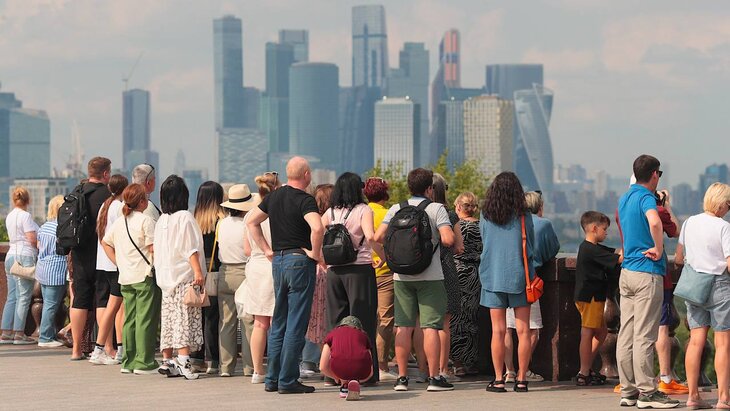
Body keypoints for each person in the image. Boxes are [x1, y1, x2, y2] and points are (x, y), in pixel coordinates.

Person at [246, 156, 324, 394]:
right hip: (300, 262)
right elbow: (318, 227)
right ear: (307, 175)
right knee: (296, 323)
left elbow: (251, 222)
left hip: (278, 261)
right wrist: (315, 254)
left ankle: (273, 378)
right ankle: (288, 380)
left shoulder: (274, 196)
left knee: (278, 322)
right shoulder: (305, 199)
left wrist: (267, 249)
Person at [373, 167, 455, 392]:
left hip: (401, 276)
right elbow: (448, 239)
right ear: (430, 188)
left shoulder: (396, 208)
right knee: (430, 327)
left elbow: (377, 237)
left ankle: (401, 379)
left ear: (409, 187)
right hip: (431, 276)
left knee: (404, 327)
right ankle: (435, 378)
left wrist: (389, 256)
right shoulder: (436, 208)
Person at [616, 154, 679, 408]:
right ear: (654, 174)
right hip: (646, 272)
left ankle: (628, 391)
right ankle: (647, 392)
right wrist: (657, 246)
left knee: (626, 333)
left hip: (627, 273)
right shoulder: (644, 198)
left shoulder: (624, 198)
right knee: (644, 334)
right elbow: (655, 221)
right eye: (659, 174)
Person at [322, 172, 384, 385]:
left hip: (334, 272)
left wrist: (321, 260)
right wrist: (383, 257)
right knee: (363, 321)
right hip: (359, 271)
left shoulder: (329, 212)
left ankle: (332, 374)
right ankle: (365, 374)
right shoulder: (363, 210)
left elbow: (316, 234)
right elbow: (371, 236)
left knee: (334, 322)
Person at [675, 182, 730, 410]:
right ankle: (723, 399)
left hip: (694, 286)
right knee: (723, 343)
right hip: (719, 285)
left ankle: (693, 397)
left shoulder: (689, 222)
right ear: (722, 203)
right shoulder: (723, 227)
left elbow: (679, 258)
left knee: (696, 341)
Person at [479, 171, 534, 393]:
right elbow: (530, 244)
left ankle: (499, 379)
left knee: (498, 331)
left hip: (492, 276)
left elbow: (485, 240)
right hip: (520, 276)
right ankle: (521, 379)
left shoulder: (486, 214)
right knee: (523, 331)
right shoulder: (523, 215)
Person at [101, 184, 157, 375]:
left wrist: (118, 262)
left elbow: (105, 242)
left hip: (125, 277)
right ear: (142, 201)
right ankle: (144, 361)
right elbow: (153, 249)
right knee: (145, 319)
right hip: (144, 276)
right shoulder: (146, 221)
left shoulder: (119, 222)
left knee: (129, 319)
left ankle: (129, 360)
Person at [504, 191, 560, 383]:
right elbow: (553, 248)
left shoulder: (510, 223)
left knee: (508, 328)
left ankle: (509, 371)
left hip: (507, 278)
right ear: (540, 206)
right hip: (529, 280)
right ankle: (523, 371)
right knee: (532, 329)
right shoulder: (543, 224)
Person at [154, 175, 205, 380]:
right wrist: (199, 273)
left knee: (168, 320)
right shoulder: (185, 217)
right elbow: (190, 248)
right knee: (184, 320)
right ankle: (184, 362)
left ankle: (168, 362)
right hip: (184, 277)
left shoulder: (162, 220)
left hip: (166, 278)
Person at [69, 157, 112, 360]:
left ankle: (76, 349)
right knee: (103, 299)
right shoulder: (107, 196)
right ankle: (106, 347)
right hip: (101, 254)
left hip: (78, 254)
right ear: (105, 174)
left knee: (79, 300)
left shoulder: (76, 192)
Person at [574, 211, 622, 386]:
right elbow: (618, 258)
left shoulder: (588, 248)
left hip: (589, 296)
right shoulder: (590, 250)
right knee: (587, 333)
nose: (606, 232)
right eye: (604, 229)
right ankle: (583, 371)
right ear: (594, 228)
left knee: (601, 332)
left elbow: (613, 253)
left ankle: (586, 367)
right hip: (590, 296)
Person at [217, 184, 258, 377]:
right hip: (244, 272)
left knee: (226, 323)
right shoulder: (248, 223)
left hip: (225, 272)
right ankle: (250, 367)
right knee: (248, 322)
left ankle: (226, 367)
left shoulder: (221, 223)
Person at [241, 173, 279, 383]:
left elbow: (246, 249)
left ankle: (258, 371)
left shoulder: (250, 215)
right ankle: (276, 368)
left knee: (259, 323)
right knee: (276, 322)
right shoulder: (278, 213)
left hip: (255, 267)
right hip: (274, 264)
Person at [428, 173, 463, 382]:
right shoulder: (450, 215)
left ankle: (425, 369)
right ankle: (442, 369)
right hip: (445, 269)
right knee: (444, 322)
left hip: (420, 271)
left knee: (423, 322)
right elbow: (458, 246)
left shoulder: (417, 211)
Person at [90, 174, 128, 365]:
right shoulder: (119, 207)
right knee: (116, 308)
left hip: (103, 262)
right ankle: (105, 348)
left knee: (106, 305)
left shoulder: (105, 206)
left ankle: (106, 348)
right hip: (115, 263)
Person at [364, 177, 398, 381]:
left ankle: (366, 361)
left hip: (363, 271)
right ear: (385, 195)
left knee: (367, 318)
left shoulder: (362, 212)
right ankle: (382, 365)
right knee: (385, 320)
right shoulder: (389, 215)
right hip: (385, 272)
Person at [652, 190, 686, 395]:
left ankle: (632, 379)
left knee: (636, 327)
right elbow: (675, 231)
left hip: (631, 271)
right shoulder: (655, 210)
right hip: (657, 272)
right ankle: (665, 376)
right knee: (663, 327)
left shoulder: (623, 209)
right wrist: (667, 204)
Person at [191, 181, 225, 374]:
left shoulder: (193, 219)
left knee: (197, 315)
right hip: (215, 272)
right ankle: (213, 359)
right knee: (213, 318)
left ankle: (196, 358)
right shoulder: (221, 220)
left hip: (197, 272)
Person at [1, 186, 39, 345]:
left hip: (11, 256)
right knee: (24, 296)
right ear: (28, 200)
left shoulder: (9, 216)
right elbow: (31, 238)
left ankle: (6, 332)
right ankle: (19, 333)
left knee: (12, 296)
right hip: (24, 255)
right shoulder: (26, 216)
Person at [450, 192, 482, 376]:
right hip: (475, 274)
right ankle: (471, 361)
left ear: (459, 207)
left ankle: (457, 363)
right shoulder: (481, 226)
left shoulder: (457, 226)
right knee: (471, 318)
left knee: (455, 318)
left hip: (457, 272)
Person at [303, 183, 333, 380]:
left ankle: (307, 359)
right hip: (328, 272)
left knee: (310, 316)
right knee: (326, 317)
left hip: (312, 271)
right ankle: (326, 361)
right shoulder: (332, 222)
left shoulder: (309, 221)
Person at [35, 195, 68, 348]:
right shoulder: (61, 228)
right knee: (51, 305)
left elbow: (38, 246)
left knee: (49, 303)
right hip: (56, 270)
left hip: (43, 269)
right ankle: (45, 337)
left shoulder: (43, 227)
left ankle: (48, 334)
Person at [319, 316, 374, 401]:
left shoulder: (332, 334)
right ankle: (355, 381)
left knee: (339, 359)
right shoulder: (363, 335)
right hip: (362, 370)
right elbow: (370, 364)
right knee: (356, 362)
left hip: (339, 368)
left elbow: (322, 367)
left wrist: (336, 377)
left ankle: (344, 385)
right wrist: (366, 376)